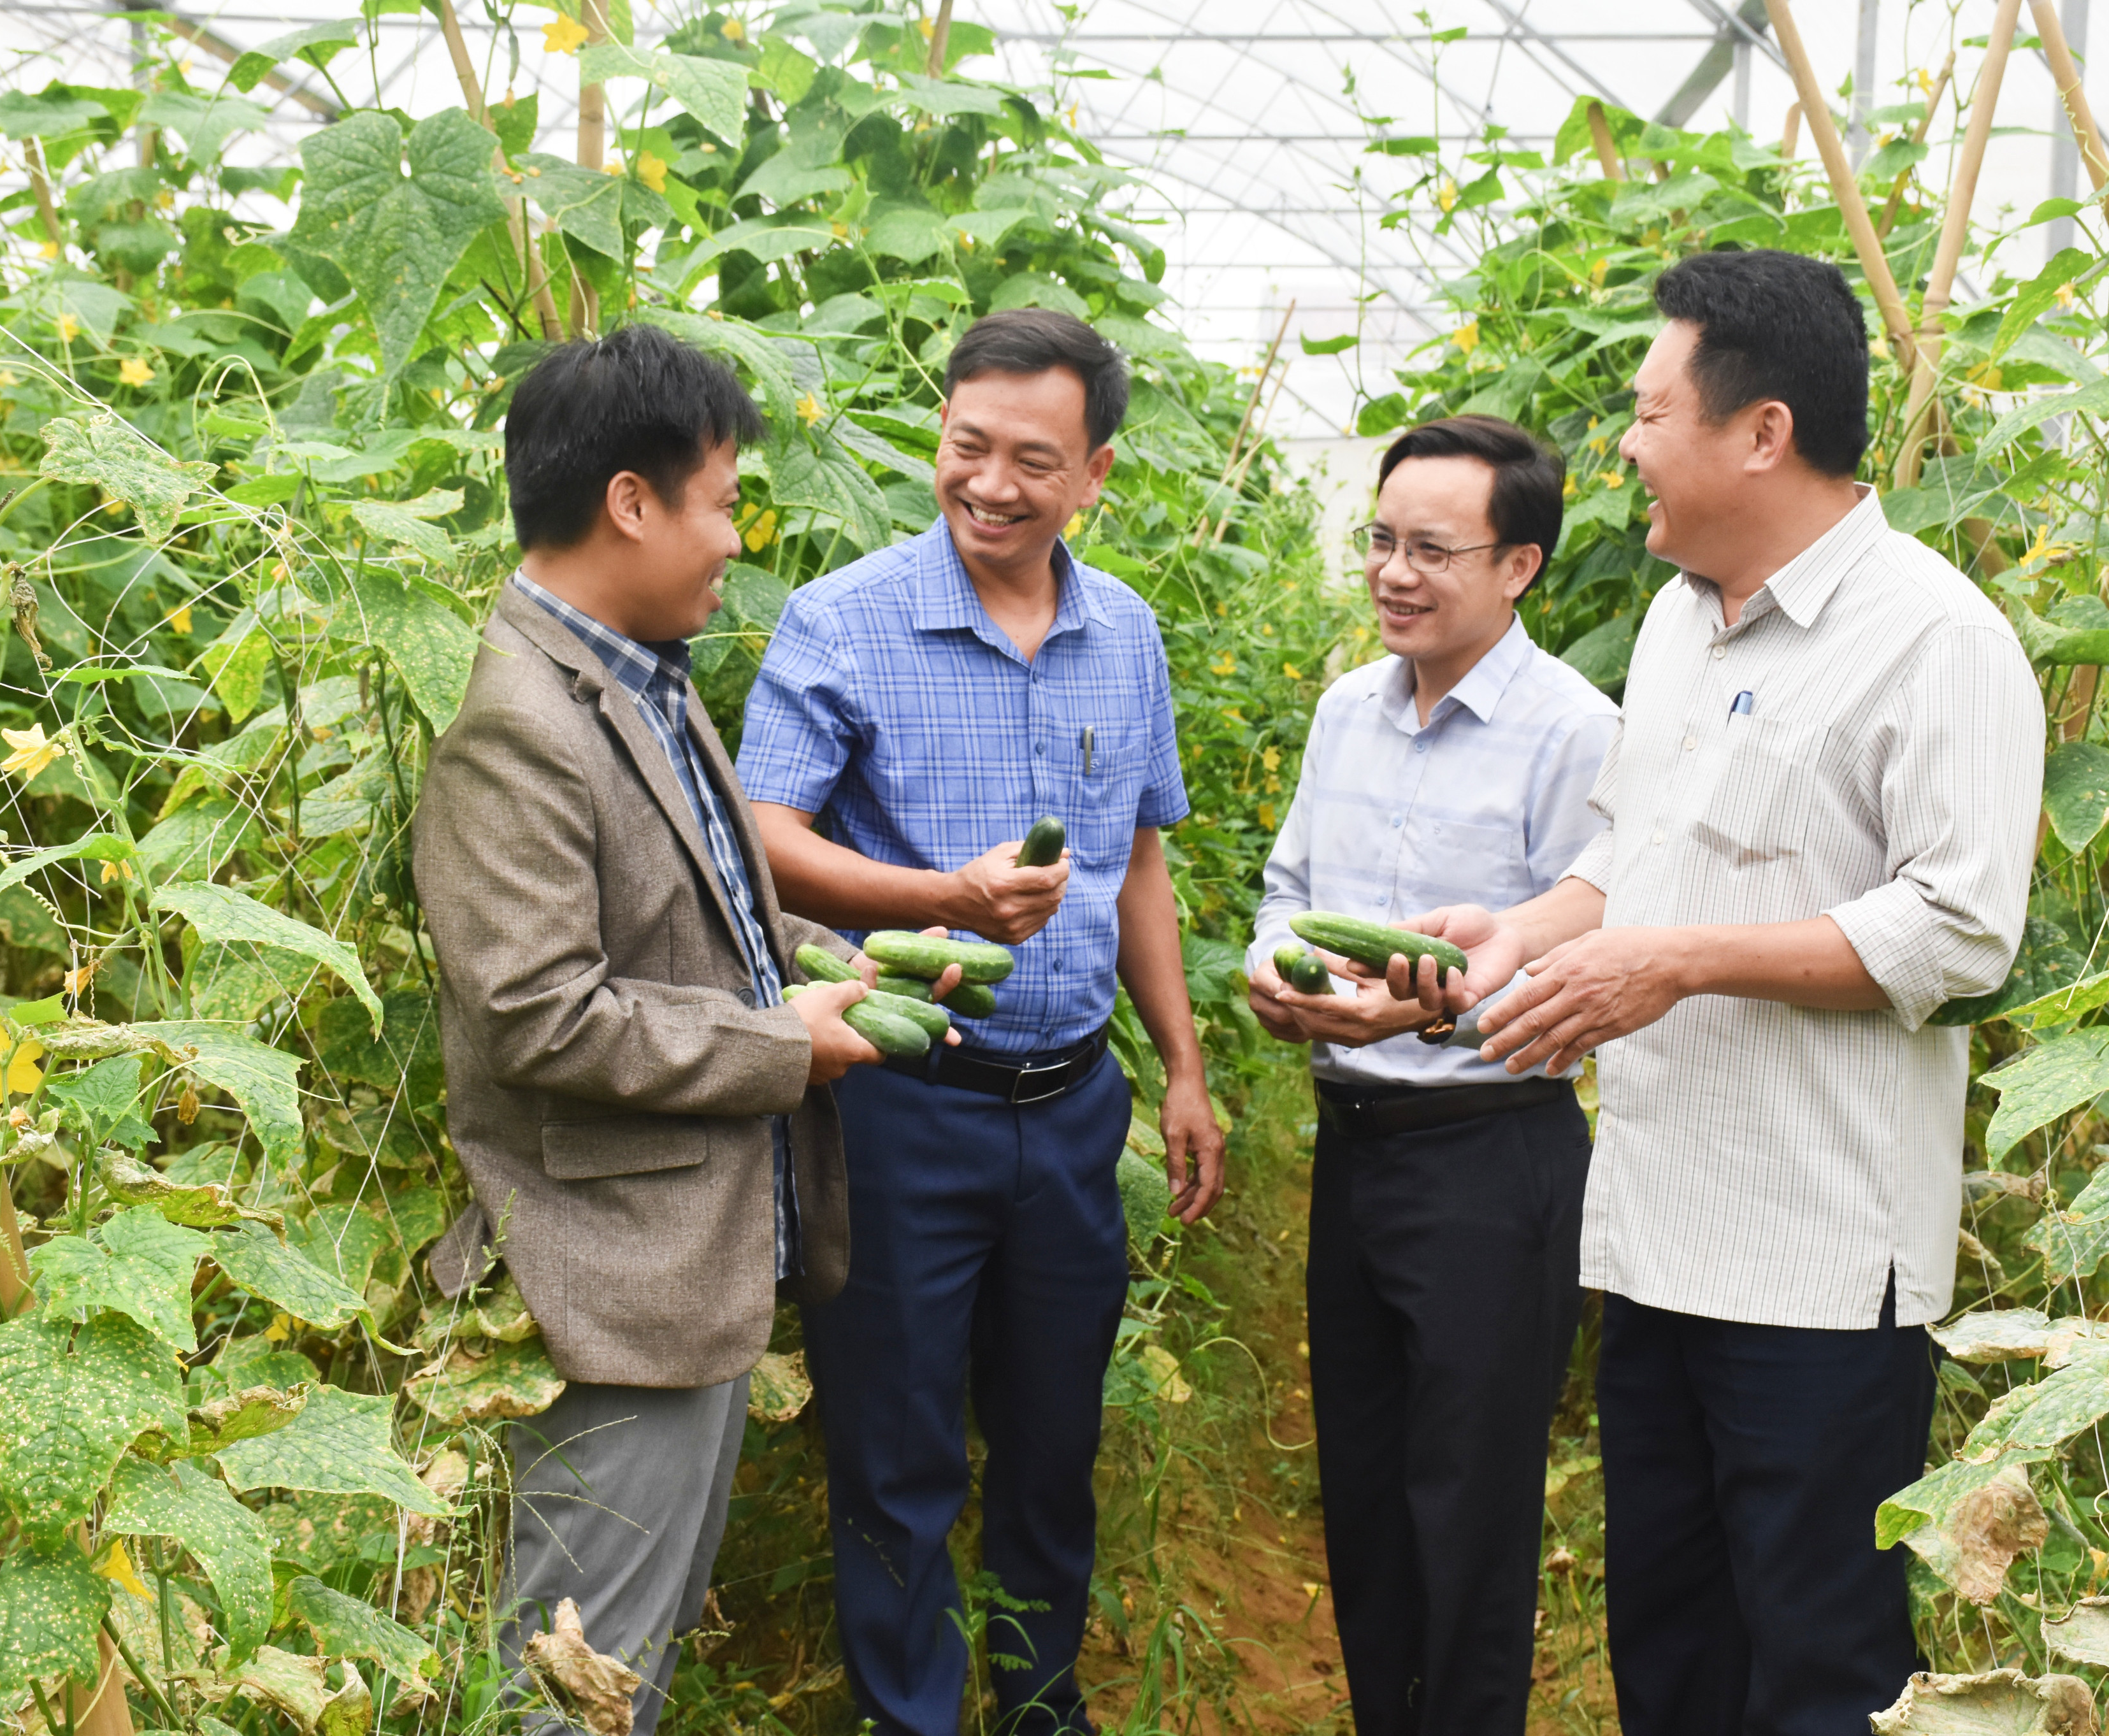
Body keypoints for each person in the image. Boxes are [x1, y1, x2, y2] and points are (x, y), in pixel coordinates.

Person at [1385, 250, 2041, 1735]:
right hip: (1660, 1237)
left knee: (1815, 1661)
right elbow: (1635, 858)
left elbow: (1956, 931)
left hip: (1816, 1268)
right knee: (1670, 1647)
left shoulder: (1934, 641)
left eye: (1648, 408)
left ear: (1762, 431)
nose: (1623, 443)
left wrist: (1675, 963)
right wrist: (1511, 938)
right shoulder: (1687, 618)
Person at [414, 324, 951, 1735]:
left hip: (686, 1273)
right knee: (573, 1680)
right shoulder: (518, 721)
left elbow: (711, 919)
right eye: (720, 499)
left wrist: (853, 961)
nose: (733, 536)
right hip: (614, 1290)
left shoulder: (642, 677)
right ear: (631, 502)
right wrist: (791, 1043)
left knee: (621, 1669)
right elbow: (537, 1011)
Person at [738, 306, 1226, 1736]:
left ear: (1095, 475)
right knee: (894, 1452)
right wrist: (936, 897)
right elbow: (765, 833)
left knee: (1052, 1441)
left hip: (1072, 1109)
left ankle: (1041, 1704)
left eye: (1033, 458)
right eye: (966, 447)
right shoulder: (846, 619)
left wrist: (1181, 1066)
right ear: (937, 438)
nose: (992, 484)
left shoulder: (1122, 630)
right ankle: (912, 1714)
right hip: (899, 1100)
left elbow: (1140, 853)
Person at [1243, 414, 1617, 1733]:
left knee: (1465, 1498)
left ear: (1517, 566)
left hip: (1490, 1159)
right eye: (1382, 541)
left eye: (1431, 550)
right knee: (1362, 1481)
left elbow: (1591, 953)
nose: (1395, 573)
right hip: (1356, 1148)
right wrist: (1278, 974)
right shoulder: (1349, 707)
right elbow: (1291, 893)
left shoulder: (1573, 731)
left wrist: (1446, 1015)